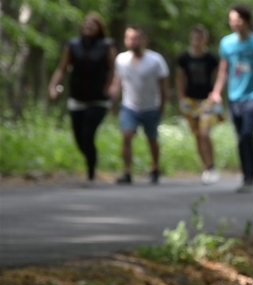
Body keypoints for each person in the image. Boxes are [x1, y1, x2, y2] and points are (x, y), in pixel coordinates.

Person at [48, 12, 116, 184]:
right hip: (77, 97)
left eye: (93, 23)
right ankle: (91, 160)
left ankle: (91, 171)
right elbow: (62, 69)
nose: (89, 25)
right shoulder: (72, 45)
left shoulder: (106, 45)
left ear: (99, 27)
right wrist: (53, 87)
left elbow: (114, 70)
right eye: (87, 22)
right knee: (79, 138)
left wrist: (111, 87)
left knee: (88, 134)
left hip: (98, 99)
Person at [209, 4, 253, 193]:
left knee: (247, 134)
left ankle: (251, 176)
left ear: (247, 21)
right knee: (240, 137)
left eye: (238, 19)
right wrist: (217, 91)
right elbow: (224, 69)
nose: (234, 23)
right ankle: (246, 176)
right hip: (234, 97)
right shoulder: (227, 43)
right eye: (231, 20)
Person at [108, 26, 169, 184]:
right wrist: (112, 94)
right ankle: (127, 172)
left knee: (152, 139)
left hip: (150, 107)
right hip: (130, 107)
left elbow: (163, 86)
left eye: (135, 38)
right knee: (127, 136)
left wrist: (161, 106)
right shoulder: (121, 59)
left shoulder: (156, 60)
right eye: (128, 38)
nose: (132, 41)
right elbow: (117, 80)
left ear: (143, 40)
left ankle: (155, 168)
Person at [176, 25, 221, 185]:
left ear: (205, 39)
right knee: (196, 135)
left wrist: (216, 95)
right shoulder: (184, 58)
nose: (197, 40)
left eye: (200, 37)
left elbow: (219, 77)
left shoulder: (211, 58)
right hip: (191, 101)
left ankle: (212, 166)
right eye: (194, 37)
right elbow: (180, 78)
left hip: (207, 100)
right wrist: (182, 98)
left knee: (205, 134)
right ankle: (206, 167)